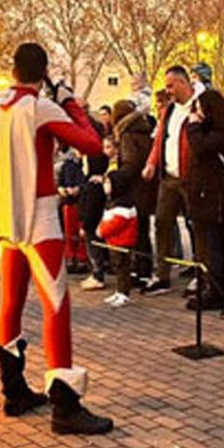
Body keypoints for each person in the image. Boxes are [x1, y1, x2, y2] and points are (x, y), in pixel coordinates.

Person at [0, 42, 112, 435]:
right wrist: (70, 102)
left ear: (13, 70)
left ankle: (14, 390)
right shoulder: (40, 107)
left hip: (7, 215)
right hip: (39, 215)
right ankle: (65, 407)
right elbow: (92, 144)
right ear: (44, 73)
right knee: (56, 304)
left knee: (10, 301)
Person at [142, 65, 224, 309]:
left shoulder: (202, 105)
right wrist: (152, 162)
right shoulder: (169, 110)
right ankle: (162, 273)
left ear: (183, 83)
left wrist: (195, 125)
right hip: (169, 175)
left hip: (195, 178)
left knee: (200, 229)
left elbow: (202, 144)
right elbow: (161, 139)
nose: (168, 91)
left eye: (171, 86)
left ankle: (202, 276)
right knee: (162, 222)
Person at [111, 99, 155, 287]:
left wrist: (115, 178)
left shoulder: (127, 135)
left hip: (134, 188)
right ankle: (144, 269)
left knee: (137, 232)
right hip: (146, 187)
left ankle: (140, 270)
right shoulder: (144, 132)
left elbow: (131, 162)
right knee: (143, 230)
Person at [97, 170, 138, 308]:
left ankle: (124, 293)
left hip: (122, 242)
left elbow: (115, 224)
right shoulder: (112, 202)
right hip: (114, 242)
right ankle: (119, 291)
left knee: (122, 268)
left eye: (108, 183)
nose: (105, 186)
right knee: (117, 267)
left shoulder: (123, 206)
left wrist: (101, 231)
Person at [76, 137, 111, 292]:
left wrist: (85, 225)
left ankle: (98, 275)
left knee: (94, 249)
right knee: (93, 248)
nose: (83, 167)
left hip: (92, 224)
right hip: (91, 222)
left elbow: (92, 208)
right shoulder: (89, 183)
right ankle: (96, 273)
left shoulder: (94, 187)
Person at [56, 149, 88, 275]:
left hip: (83, 202)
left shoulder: (89, 163)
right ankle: (70, 256)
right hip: (69, 202)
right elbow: (61, 180)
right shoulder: (68, 164)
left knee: (81, 231)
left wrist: (79, 188)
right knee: (69, 231)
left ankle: (82, 258)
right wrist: (61, 188)